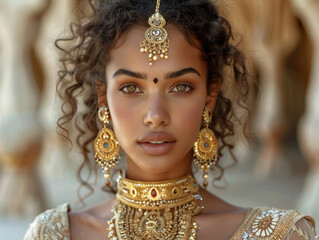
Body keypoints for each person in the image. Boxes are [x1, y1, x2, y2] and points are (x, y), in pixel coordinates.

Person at [24, 0, 318, 239]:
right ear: (103, 98)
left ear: (209, 96)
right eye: (130, 88)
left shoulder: (279, 234)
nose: (155, 116)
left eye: (181, 87)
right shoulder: (53, 234)